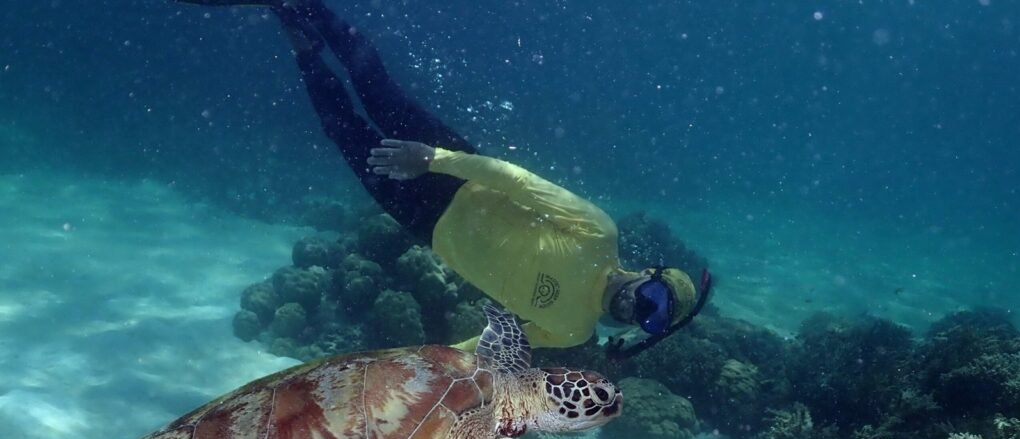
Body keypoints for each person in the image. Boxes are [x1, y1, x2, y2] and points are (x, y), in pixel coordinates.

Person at [178, 0, 711, 357]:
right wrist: (431, 158)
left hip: (426, 224)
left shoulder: (573, 331)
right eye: (655, 299)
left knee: (342, 131)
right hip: (455, 175)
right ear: (649, 272)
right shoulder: (600, 235)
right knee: (377, 89)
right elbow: (518, 181)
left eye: (652, 322)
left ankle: (300, 42)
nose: (639, 310)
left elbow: (496, 342)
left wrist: (437, 364)